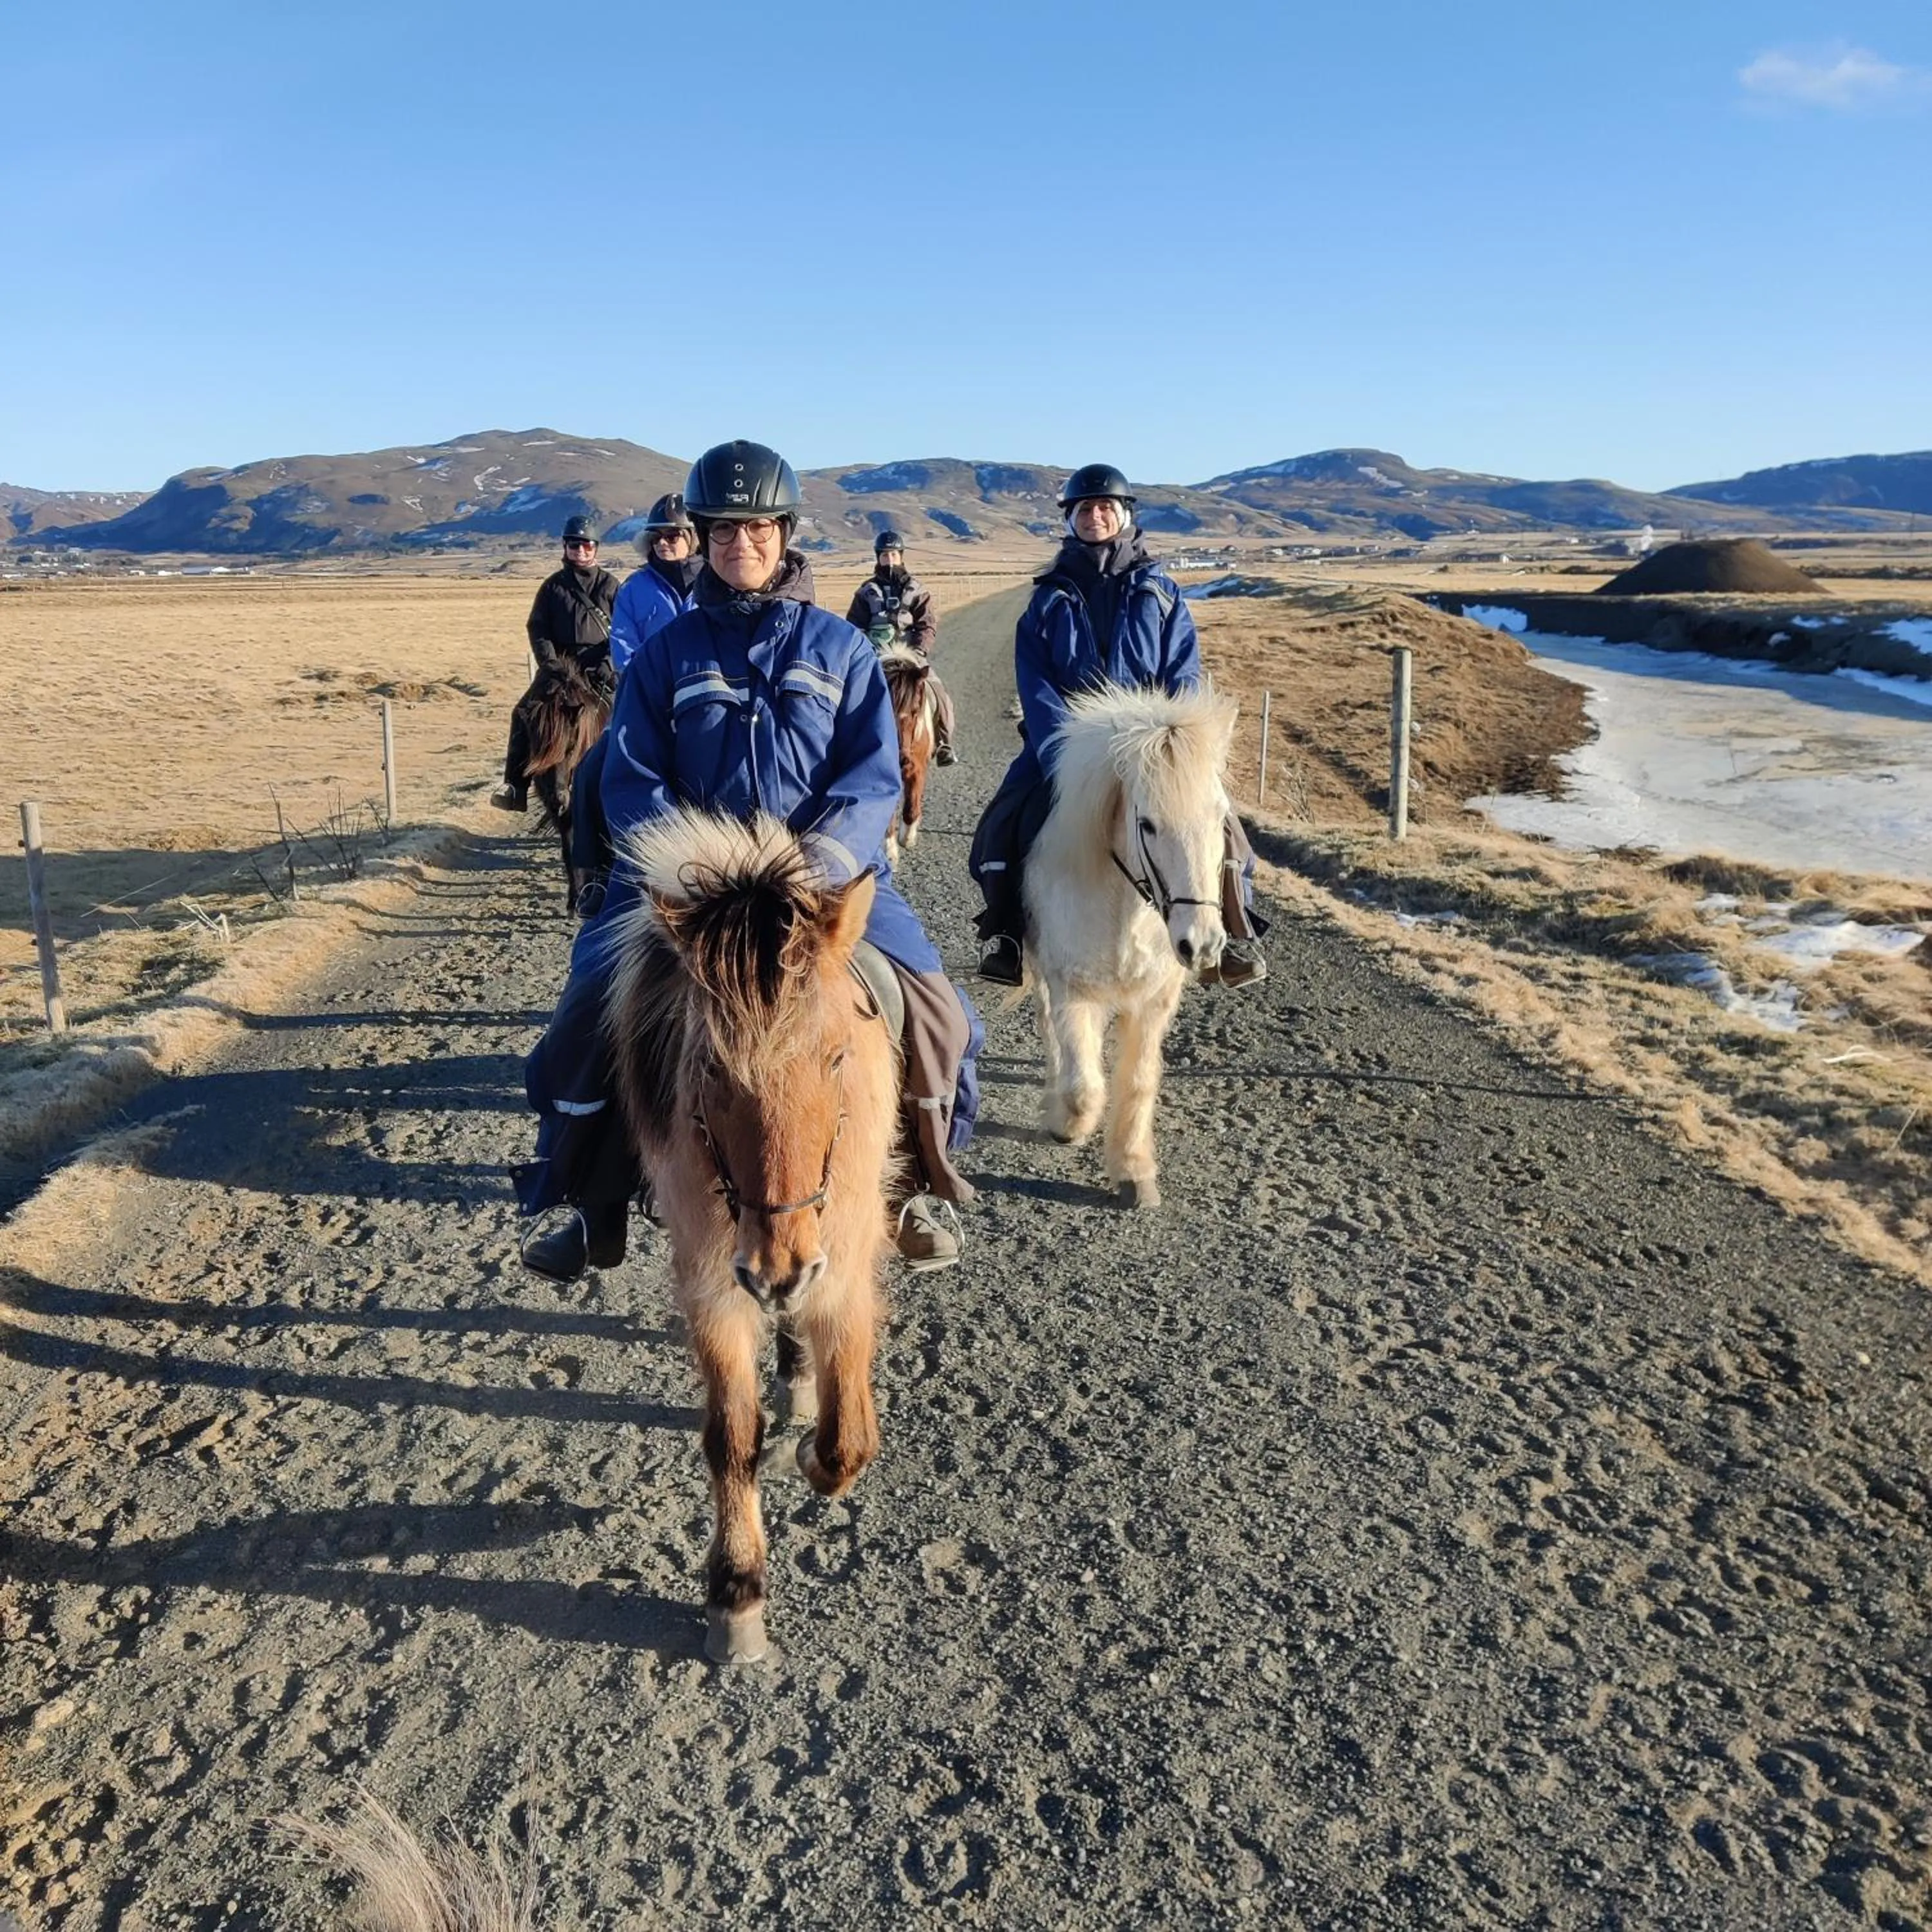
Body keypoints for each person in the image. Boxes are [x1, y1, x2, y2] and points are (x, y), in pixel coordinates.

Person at [516, 440, 982, 1282]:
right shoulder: (667, 656)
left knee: (939, 1013)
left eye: (758, 528)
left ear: (785, 534)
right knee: (585, 1012)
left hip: (822, 882)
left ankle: (914, 1185)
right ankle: (589, 1201)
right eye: (725, 530)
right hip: (694, 889)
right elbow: (632, 779)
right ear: (702, 537)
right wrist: (693, 872)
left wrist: (819, 863)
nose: (742, 544)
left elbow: (871, 775)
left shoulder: (841, 649)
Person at [968, 463, 1269, 989]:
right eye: (1085, 508)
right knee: (1003, 823)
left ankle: (1233, 929)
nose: (1095, 516)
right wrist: (1060, 752)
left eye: (1105, 507)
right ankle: (1007, 935)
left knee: (1219, 824)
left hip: (1153, 748)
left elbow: (1182, 672)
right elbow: (1037, 685)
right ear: (1071, 520)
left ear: (1124, 515)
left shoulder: (1162, 592)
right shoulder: (1046, 601)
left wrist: (1177, 744)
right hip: (1066, 747)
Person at [568, 495, 708, 910]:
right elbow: (624, 647)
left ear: (692, 538)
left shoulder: (716, 582)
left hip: (708, 699)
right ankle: (594, 876)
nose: (663, 543)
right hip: (645, 701)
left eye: (673, 536)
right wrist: (653, 688)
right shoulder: (635, 589)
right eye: (657, 536)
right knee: (590, 772)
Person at [491, 515, 621, 813]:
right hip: (560, 669)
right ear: (565, 547)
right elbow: (538, 627)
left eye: (587, 545)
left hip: (599, 669)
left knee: (625, 716)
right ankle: (515, 787)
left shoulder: (611, 585)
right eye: (575, 545)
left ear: (596, 548)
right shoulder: (552, 587)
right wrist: (550, 664)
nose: (581, 551)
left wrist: (609, 661)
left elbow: (623, 630)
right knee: (524, 713)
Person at [845, 529, 956, 764]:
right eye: (885, 555)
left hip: (910, 657)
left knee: (938, 692)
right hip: (876, 658)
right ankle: (845, 747)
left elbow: (927, 625)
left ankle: (944, 743)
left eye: (894, 555)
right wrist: (865, 651)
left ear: (902, 556)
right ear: (878, 557)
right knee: (848, 695)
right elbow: (855, 627)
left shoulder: (917, 591)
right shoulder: (865, 592)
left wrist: (918, 651)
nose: (890, 560)